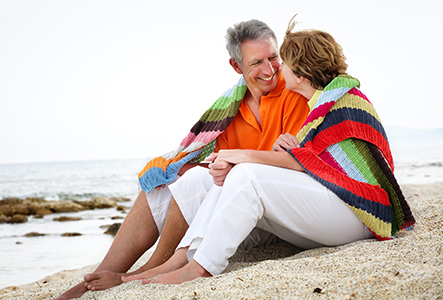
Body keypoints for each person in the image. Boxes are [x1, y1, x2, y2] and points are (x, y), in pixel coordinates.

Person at [131, 16, 416, 285]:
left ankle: (200, 268)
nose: (277, 70)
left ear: (301, 74)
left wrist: (243, 155)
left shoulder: (344, 103)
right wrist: (291, 151)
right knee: (229, 177)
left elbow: (318, 166)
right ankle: (182, 258)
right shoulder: (320, 105)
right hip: (335, 208)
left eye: (283, 63)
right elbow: (311, 159)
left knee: (247, 176)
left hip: (362, 213)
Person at [55, 20, 309, 299]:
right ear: (236, 67)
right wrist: (176, 166)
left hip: (267, 208)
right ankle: (101, 274)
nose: (269, 69)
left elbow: (292, 165)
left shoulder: (294, 92)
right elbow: (217, 163)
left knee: (195, 178)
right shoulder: (229, 107)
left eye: (273, 58)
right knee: (161, 184)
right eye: (256, 62)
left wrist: (207, 169)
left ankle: (153, 267)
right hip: (232, 198)